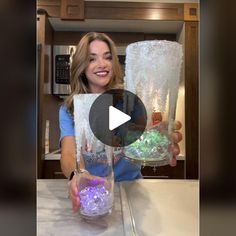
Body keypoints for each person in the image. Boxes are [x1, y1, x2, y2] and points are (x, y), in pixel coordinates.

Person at [59, 32, 182, 212]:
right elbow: (68, 154)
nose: (102, 64)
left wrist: (160, 135)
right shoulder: (70, 110)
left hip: (133, 190)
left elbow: (146, 132)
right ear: (82, 66)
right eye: (92, 59)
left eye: (107, 57)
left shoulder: (130, 102)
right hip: (93, 193)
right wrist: (80, 175)